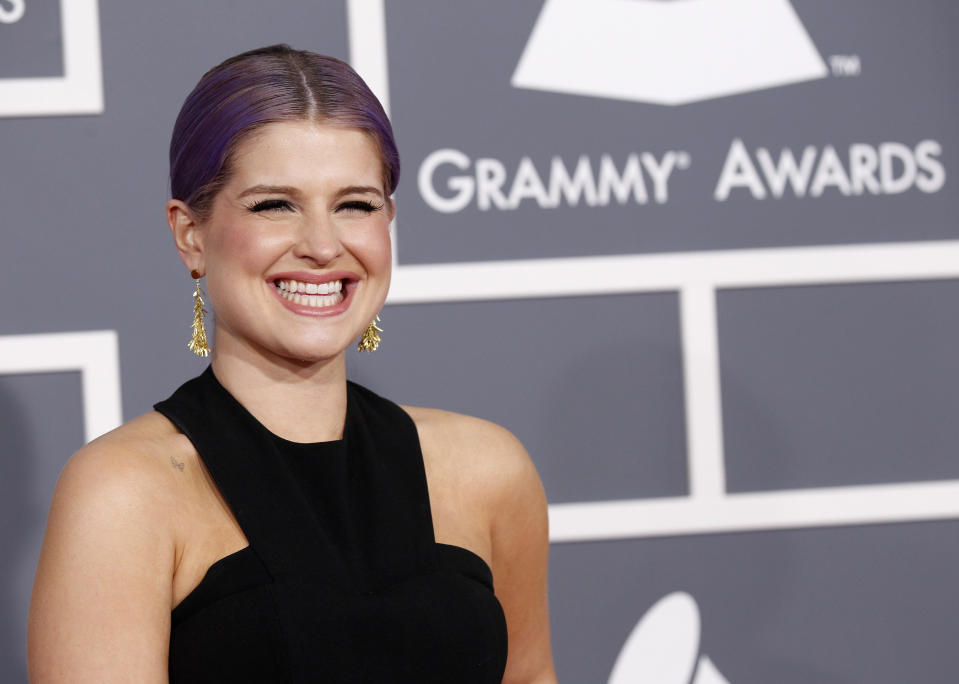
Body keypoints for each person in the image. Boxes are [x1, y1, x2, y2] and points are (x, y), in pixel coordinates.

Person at [27, 45, 556, 683]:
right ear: (190, 234)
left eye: (356, 204)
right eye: (275, 205)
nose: (323, 245)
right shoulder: (124, 494)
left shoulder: (490, 471)